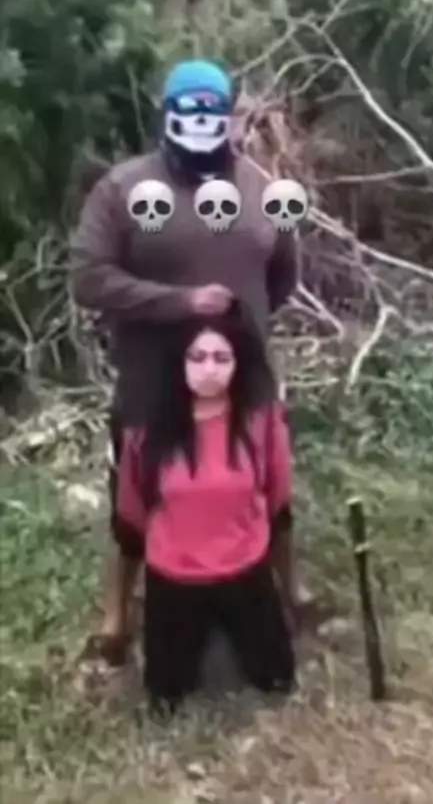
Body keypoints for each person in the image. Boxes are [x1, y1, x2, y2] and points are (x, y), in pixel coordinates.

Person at [70, 58, 300, 669]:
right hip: (153, 379)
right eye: (188, 108)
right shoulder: (123, 188)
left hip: (246, 377)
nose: (202, 120)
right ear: (167, 114)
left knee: (270, 487)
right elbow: (88, 278)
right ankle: (118, 616)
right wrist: (179, 304)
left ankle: (288, 594)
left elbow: (283, 273)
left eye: (213, 109)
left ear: (231, 118)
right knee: (135, 497)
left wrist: (242, 332)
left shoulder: (262, 187)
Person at [115, 302, 296, 715]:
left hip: (245, 565)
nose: (209, 369)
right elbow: (132, 508)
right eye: (197, 358)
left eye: (221, 358)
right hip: (173, 575)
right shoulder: (146, 428)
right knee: (166, 700)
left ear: (237, 363)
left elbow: (278, 494)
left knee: (278, 682)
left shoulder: (261, 419)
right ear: (179, 362)